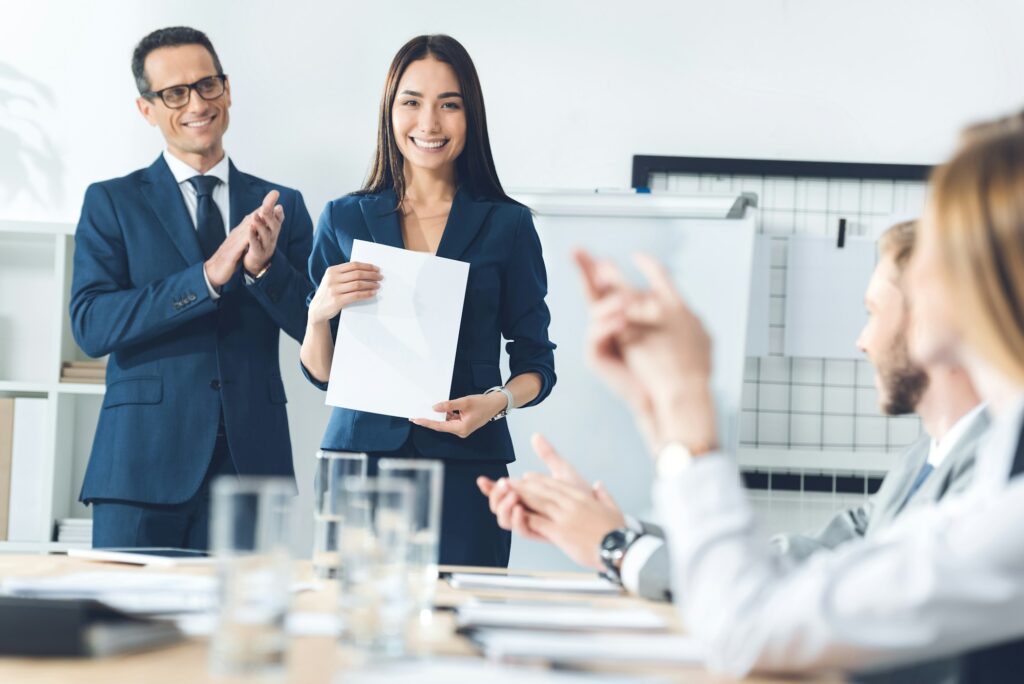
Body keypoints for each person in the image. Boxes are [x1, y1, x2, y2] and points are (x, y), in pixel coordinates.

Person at [502, 119, 1024, 680]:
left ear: (988, 275)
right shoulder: (979, 463)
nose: (916, 265)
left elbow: (752, 625)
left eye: (942, 243)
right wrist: (651, 444)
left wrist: (683, 407)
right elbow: (800, 575)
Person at [481, 221, 988, 603]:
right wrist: (617, 531)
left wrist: (615, 546)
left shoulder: (992, 474)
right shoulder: (921, 461)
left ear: (934, 322)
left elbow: (787, 605)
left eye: (874, 312)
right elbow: (791, 563)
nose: (862, 341)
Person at [299, 34, 556, 567]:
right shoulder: (343, 218)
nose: (429, 123)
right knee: (355, 629)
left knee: (460, 629)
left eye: (449, 105)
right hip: (357, 462)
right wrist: (317, 313)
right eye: (411, 102)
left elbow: (536, 362)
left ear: (471, 115)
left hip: (468, 465)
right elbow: (323, 373)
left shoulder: (508, 224)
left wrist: (495, 404)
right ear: (390, 111)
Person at [70, 27, 313, 549]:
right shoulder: (111, 201)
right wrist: (205, 278)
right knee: (126, 631)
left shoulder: (281, 205)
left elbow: (318, 331)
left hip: (252, 470)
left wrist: (267, 271)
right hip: (139, 467)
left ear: (227, 90)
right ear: (146, 109)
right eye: (174, 93)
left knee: (247, 631)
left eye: (207, 85)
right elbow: (92, 325)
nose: (196, 103)